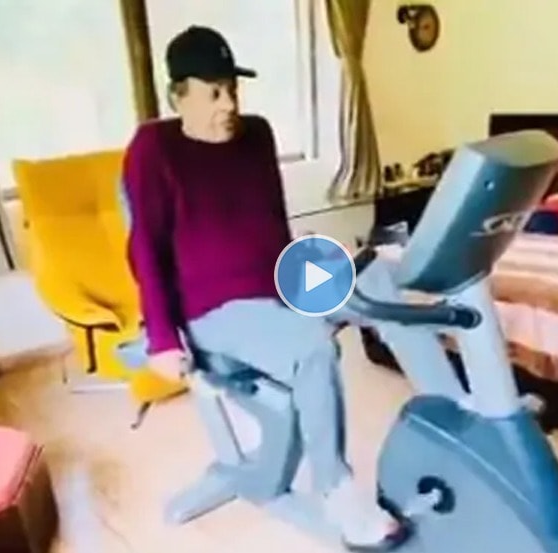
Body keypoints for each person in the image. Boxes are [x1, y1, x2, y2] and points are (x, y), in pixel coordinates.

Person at [122, 25, 406, 551]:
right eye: (213, 92)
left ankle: (460, 410)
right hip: (211, 308)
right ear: (177, 96)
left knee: (382, 281)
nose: (229, 104)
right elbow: (146, 251)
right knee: (312, 348)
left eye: (233, 88)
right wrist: (161, 339)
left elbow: (273, 223)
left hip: (277, 283)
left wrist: (318, 281)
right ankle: (337, 491)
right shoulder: (152, 149)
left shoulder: (257, 135)